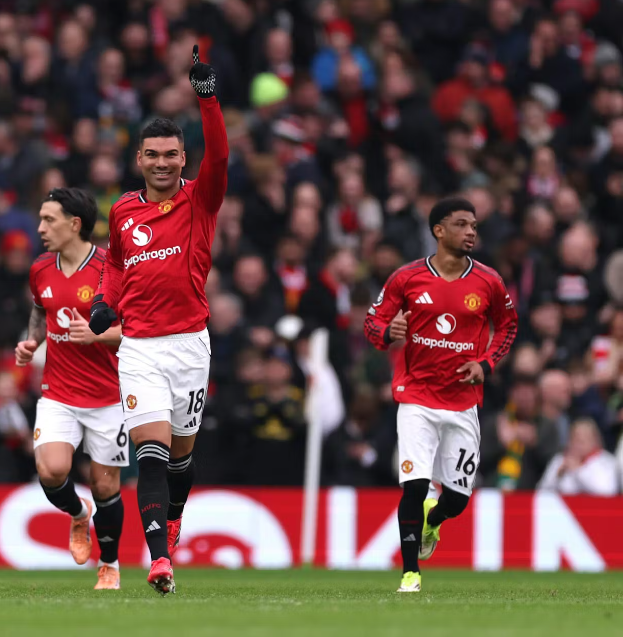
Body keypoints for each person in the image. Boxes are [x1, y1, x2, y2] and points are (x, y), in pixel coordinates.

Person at [89, 45, 228, 595]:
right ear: (139, 159)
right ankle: (159, 559)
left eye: (172, 155)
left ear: (182, 159)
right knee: (149, 454)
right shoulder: (124, 210)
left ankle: (173, 517)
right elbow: (115, 265)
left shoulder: (201, 200)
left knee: (179, 458)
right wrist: (104, 302)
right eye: (153, 155)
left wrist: (207, 101)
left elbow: (220, 158)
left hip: (190, 345)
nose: (163, 163)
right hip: (140, 348)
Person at [363, 197, 518, 593]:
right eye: (462, 224)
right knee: (415, 485)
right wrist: (388, 333)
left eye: (474, 226)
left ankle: (434, 521)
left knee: (457, 500)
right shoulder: (407, 278)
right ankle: (410, 573)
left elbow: (508, 326)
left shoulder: (489, 281)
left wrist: (486, 364)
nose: (471, 232)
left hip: (463, 402)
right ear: (439, 230)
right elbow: (373, 320)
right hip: (416, 397)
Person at [14, 187, 126, 590]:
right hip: (59, 392)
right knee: (50, 470)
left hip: (109, 396)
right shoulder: (41, 268)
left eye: (49, 220)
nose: (40, 228)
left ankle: (109, 564)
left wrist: (98, 336)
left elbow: (136, 329)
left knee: (106, 484)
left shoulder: (110, 270)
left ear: (75, 224)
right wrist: (32, 341)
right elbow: (40, 309)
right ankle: (80, 514)